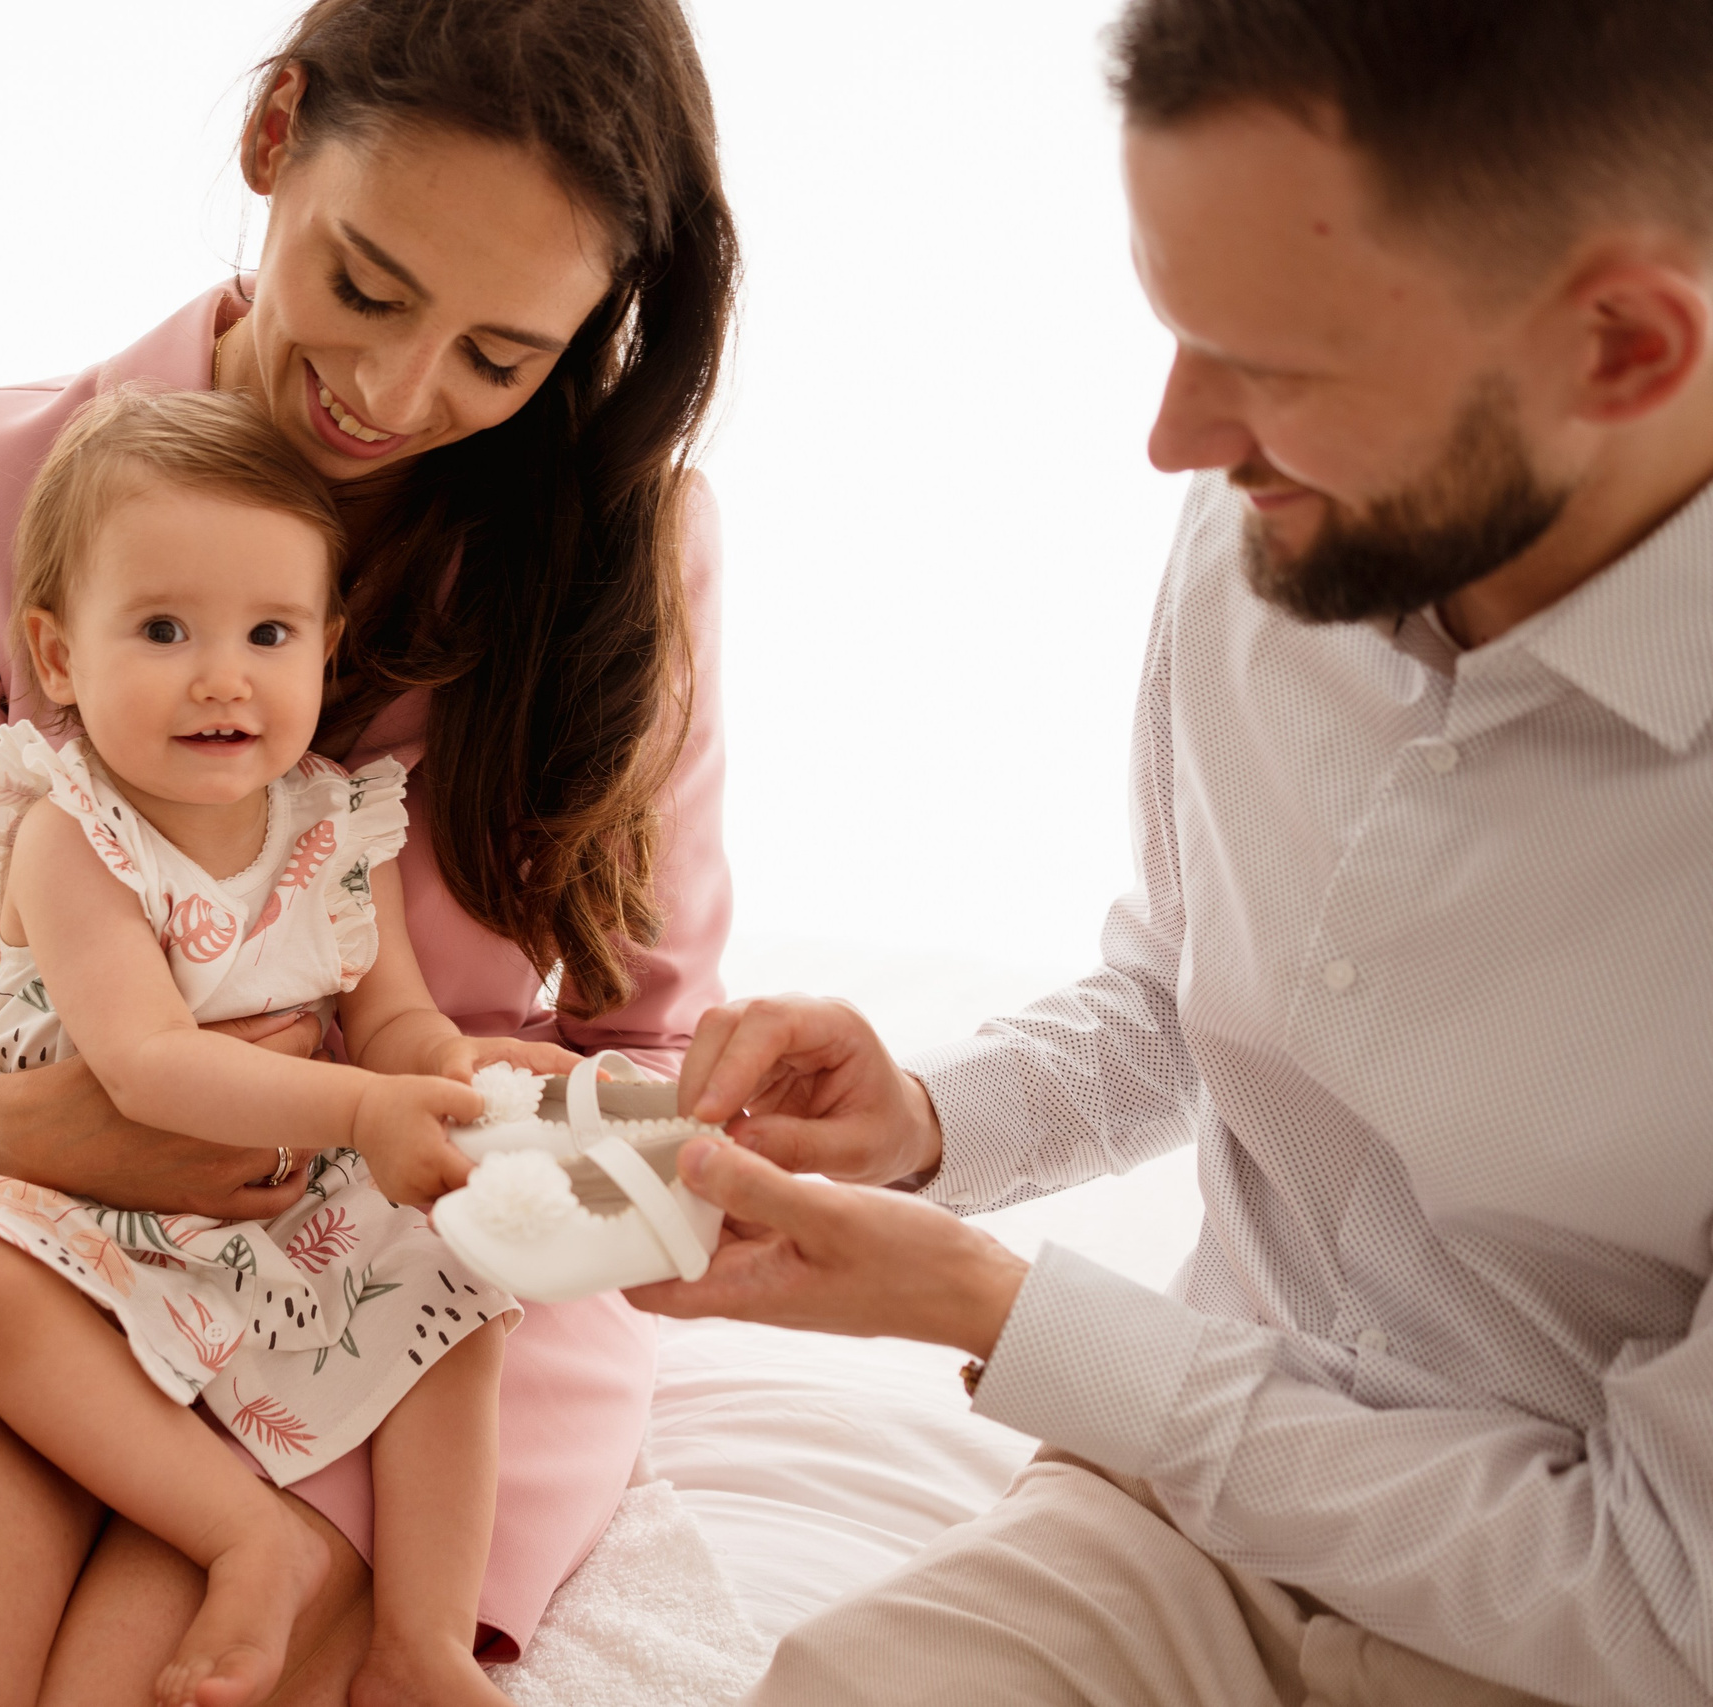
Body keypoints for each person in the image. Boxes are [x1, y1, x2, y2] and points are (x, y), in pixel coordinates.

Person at [0, 3, 740, 1703]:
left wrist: (435, 1116)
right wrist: (40, 1128)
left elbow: (640, 1044)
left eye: (499, 358)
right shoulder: (6, 477)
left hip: (407, 1271)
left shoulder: (625, 554)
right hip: (70, 1236)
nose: (394, 391)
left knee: (167, 1683)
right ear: (274, 136)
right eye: (366, 288)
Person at [632, 1, 1713, 1703]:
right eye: (1182, 331)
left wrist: (1003, 1313)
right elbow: (1187, 990)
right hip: (1185, 1524)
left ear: (1627, 350)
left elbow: (1663, 1598)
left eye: (1278, 369)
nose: (1180, 439)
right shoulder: (1281, 521)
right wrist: (919, 1124)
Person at [0, 383, 571, 1707]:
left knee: (459, 1285)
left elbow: (395, 1015)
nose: (221, 674)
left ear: (328, 644)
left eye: (269, 631)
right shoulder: (70, 828)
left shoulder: (339, 822)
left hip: (271, 1199)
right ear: (61, 654)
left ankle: (421, 1641)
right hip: (82, 1198)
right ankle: (237, 1531)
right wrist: (366, 1115)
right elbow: (144, 1065)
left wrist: (456, 1071)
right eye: (161, 629)